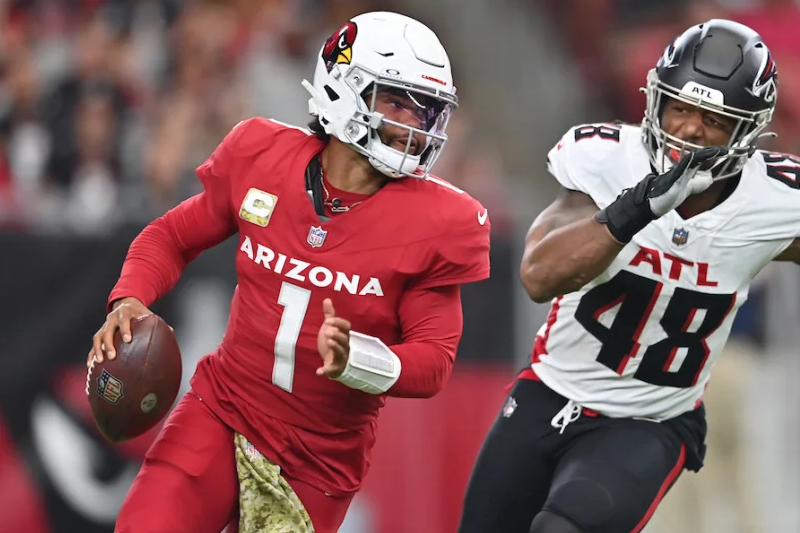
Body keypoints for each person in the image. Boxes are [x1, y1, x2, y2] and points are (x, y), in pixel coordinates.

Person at [87, 11, 491, 533]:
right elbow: (171, 236)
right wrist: (130, 299)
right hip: (223, 409)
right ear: (344, 89)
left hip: (318, 457)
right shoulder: (261, 155)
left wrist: (358, 359)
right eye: (397, 103)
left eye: (427, 112)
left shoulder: (438, 222)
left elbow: (434, 361)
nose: (415, 126)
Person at [459, 18, 798, 533]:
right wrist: (634, 210)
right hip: (548, 392)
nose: (690, 129)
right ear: (655, 99)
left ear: (746, 130)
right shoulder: (607, 158)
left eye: (714, 118)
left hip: (650, 420)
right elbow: (539, 275)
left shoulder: (773, 199)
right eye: (680, 108)